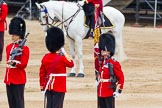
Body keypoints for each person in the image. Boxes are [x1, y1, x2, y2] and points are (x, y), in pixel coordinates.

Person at [39, 26, 74, 108]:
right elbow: (71, 63)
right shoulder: (62, 58)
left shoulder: (46, 57)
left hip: (48, 86)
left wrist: (42, 86)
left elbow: (42, 73)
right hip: (59, 87)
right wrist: (64, 52)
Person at [4, 16, 30, 108]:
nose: (13, 36)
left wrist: (15, 63)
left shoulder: (24, 49)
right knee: (11, 104)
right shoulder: (8, 47)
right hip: (9, 79)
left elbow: (24, 64)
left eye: (14, 34)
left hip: (18, 79)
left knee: (19, 104)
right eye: (12, 34)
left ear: (19, 35)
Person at [97, 33, 124, 108]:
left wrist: (118, 90)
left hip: (109, 90)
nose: (101, 51)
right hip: (101, 90)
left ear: (109, 51)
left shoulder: (114, 63)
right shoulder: (102, 62)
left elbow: (121, 78)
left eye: (103, 49)